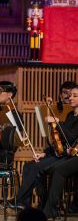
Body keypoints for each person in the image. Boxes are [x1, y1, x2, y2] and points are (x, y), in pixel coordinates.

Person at [41, 85, 78, 219]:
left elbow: (73, 136)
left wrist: (58, 122)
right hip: (71, 154)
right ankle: (46, 207)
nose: (70, 97)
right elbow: (63, 137)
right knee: (48, 168)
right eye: (70, 95)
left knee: (59, 170)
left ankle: (51, 210)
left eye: (75, 95)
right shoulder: (69, 115)